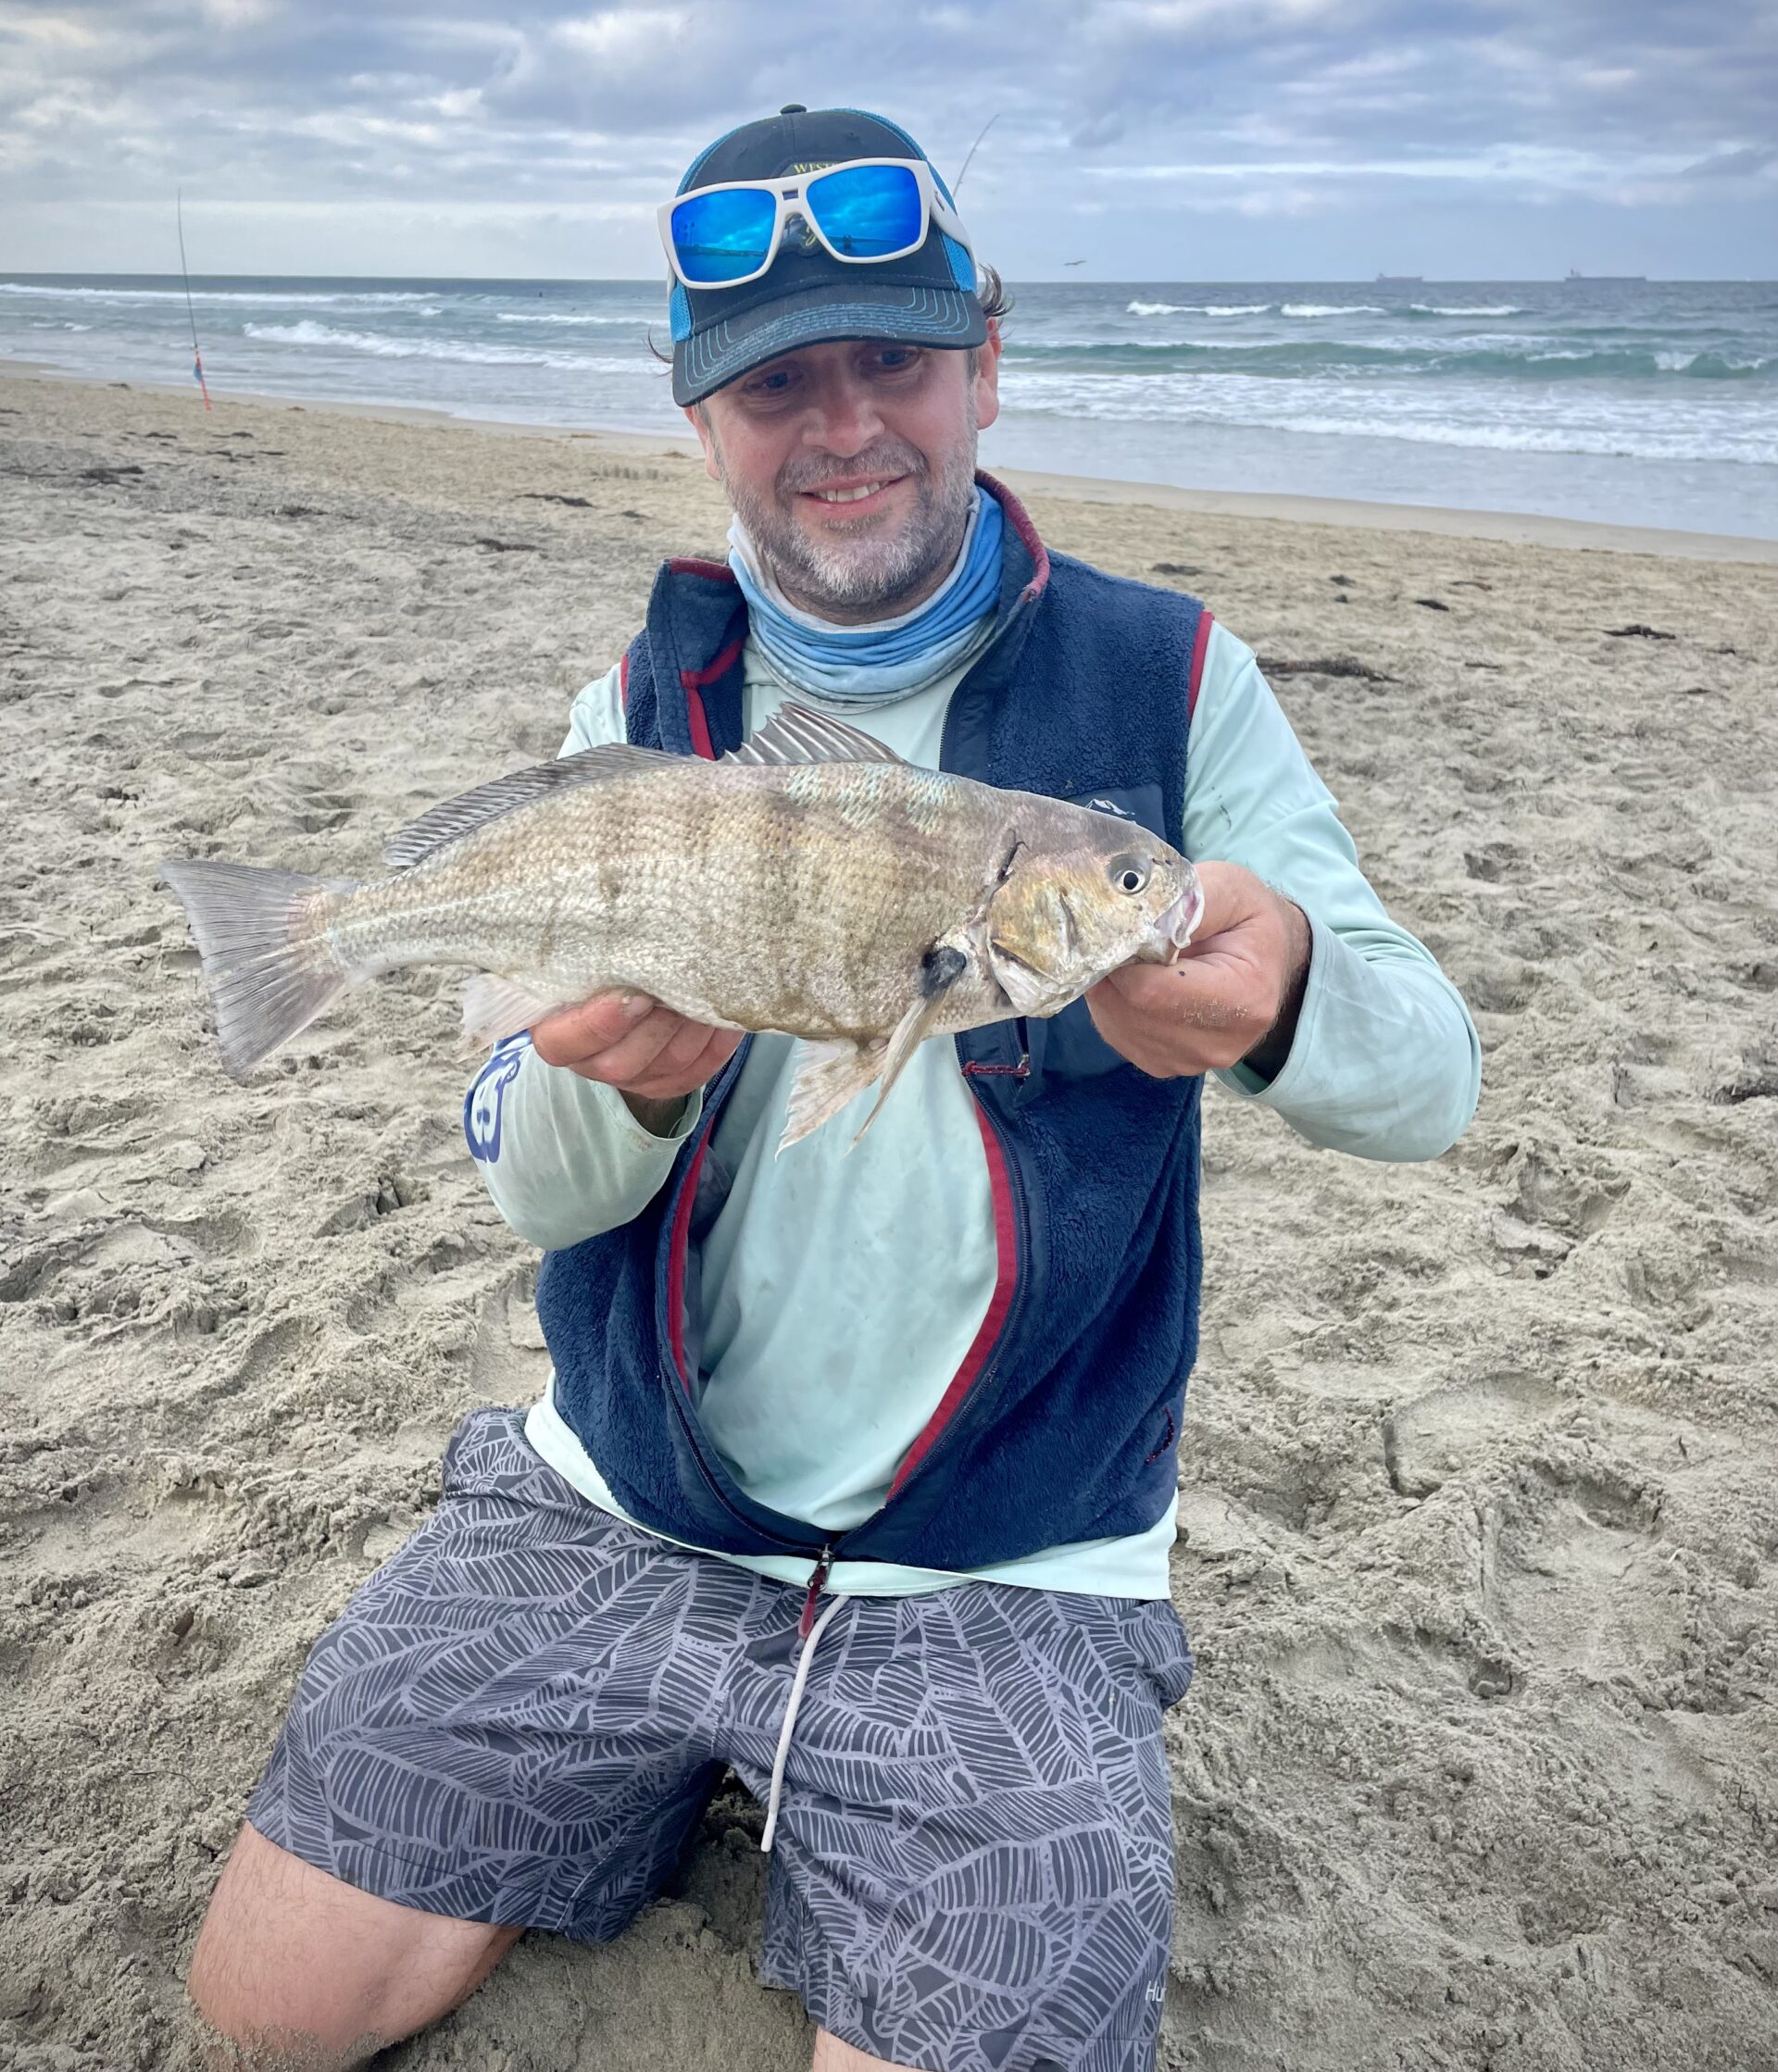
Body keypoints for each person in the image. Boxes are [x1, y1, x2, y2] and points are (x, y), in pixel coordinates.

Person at [187, 106, 1480, 2072]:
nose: (846, 422)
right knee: (263, 2012)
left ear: (984, 363)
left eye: (896, 359)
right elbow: (533, 1192)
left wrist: (1287, 980)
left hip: (1008, 1560)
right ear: (702, 419)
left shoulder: (1175, 681)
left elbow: (1433, 1083)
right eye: (780, 381)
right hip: (627, 1500)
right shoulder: (640, 716)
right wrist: (606, 1092)